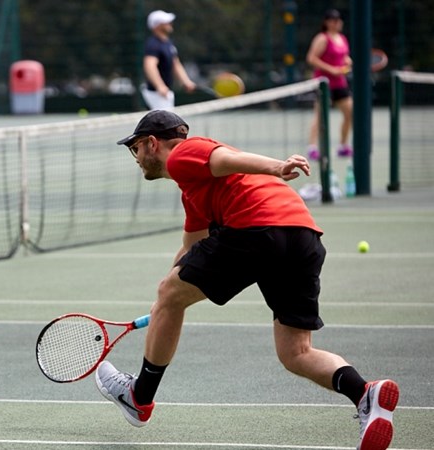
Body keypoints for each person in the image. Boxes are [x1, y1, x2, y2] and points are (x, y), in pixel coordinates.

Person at [96, 109, 399, 450]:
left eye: (135, 148)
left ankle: (140, 398)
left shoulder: (183, 153)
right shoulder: (193, 191)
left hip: (257, 229)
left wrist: (277, 166)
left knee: (171, 293)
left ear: (152, 143)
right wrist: (167, 299)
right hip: (302, 236)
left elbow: (226, 159)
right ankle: (365, 393)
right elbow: (191, 248)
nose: (135, 157)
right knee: (295, 352)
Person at [306, 8, 353, 160]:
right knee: (320, 117)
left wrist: (347, 62)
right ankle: (312, 148)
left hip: (340, 84)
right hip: (323, 84)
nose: (337, 23)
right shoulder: (322, 38)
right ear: (327, 22)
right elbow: (311, 58)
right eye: (333, 20)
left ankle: (343, 147)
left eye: (338, 20)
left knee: (350, 113)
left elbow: (344, 57)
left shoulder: (342, 38)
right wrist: (332, 70)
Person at [141, 10, 197, 110]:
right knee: (165, 123)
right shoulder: (153, 44)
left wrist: (186, 82)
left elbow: (175, 64)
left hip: (166, 92)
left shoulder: (168, 43)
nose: (170, 23)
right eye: (165, 22)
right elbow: (149, 66)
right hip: (155, 93)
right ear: (157, 25)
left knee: (167, 122)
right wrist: (160, 86)